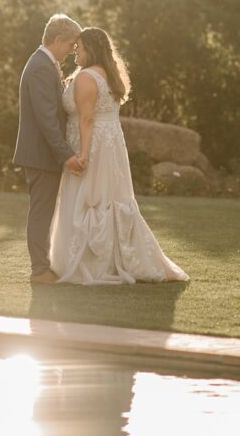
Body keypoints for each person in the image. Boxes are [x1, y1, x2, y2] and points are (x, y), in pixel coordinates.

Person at [49, 27, 189, 285]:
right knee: (108, 197)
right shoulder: (109, 74)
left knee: (91, 197)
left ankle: (93, 262)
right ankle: (120, 257)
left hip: (93, 145)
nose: (75, 51)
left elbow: (88, 119)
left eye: (79, 46)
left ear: (90, 49)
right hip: (111, 143)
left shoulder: (86, 77)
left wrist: (83, 154)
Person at [13, 14, 84, 284]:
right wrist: (65, 154)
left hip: (43, 153)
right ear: (57, 40)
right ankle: (39, 270)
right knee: (41, 212)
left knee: (44, 211)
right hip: (41, 155)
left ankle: (43, 266)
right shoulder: (41, 66)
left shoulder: (44, 63)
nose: (72, 51)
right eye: (71, 45)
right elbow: (46, 118)